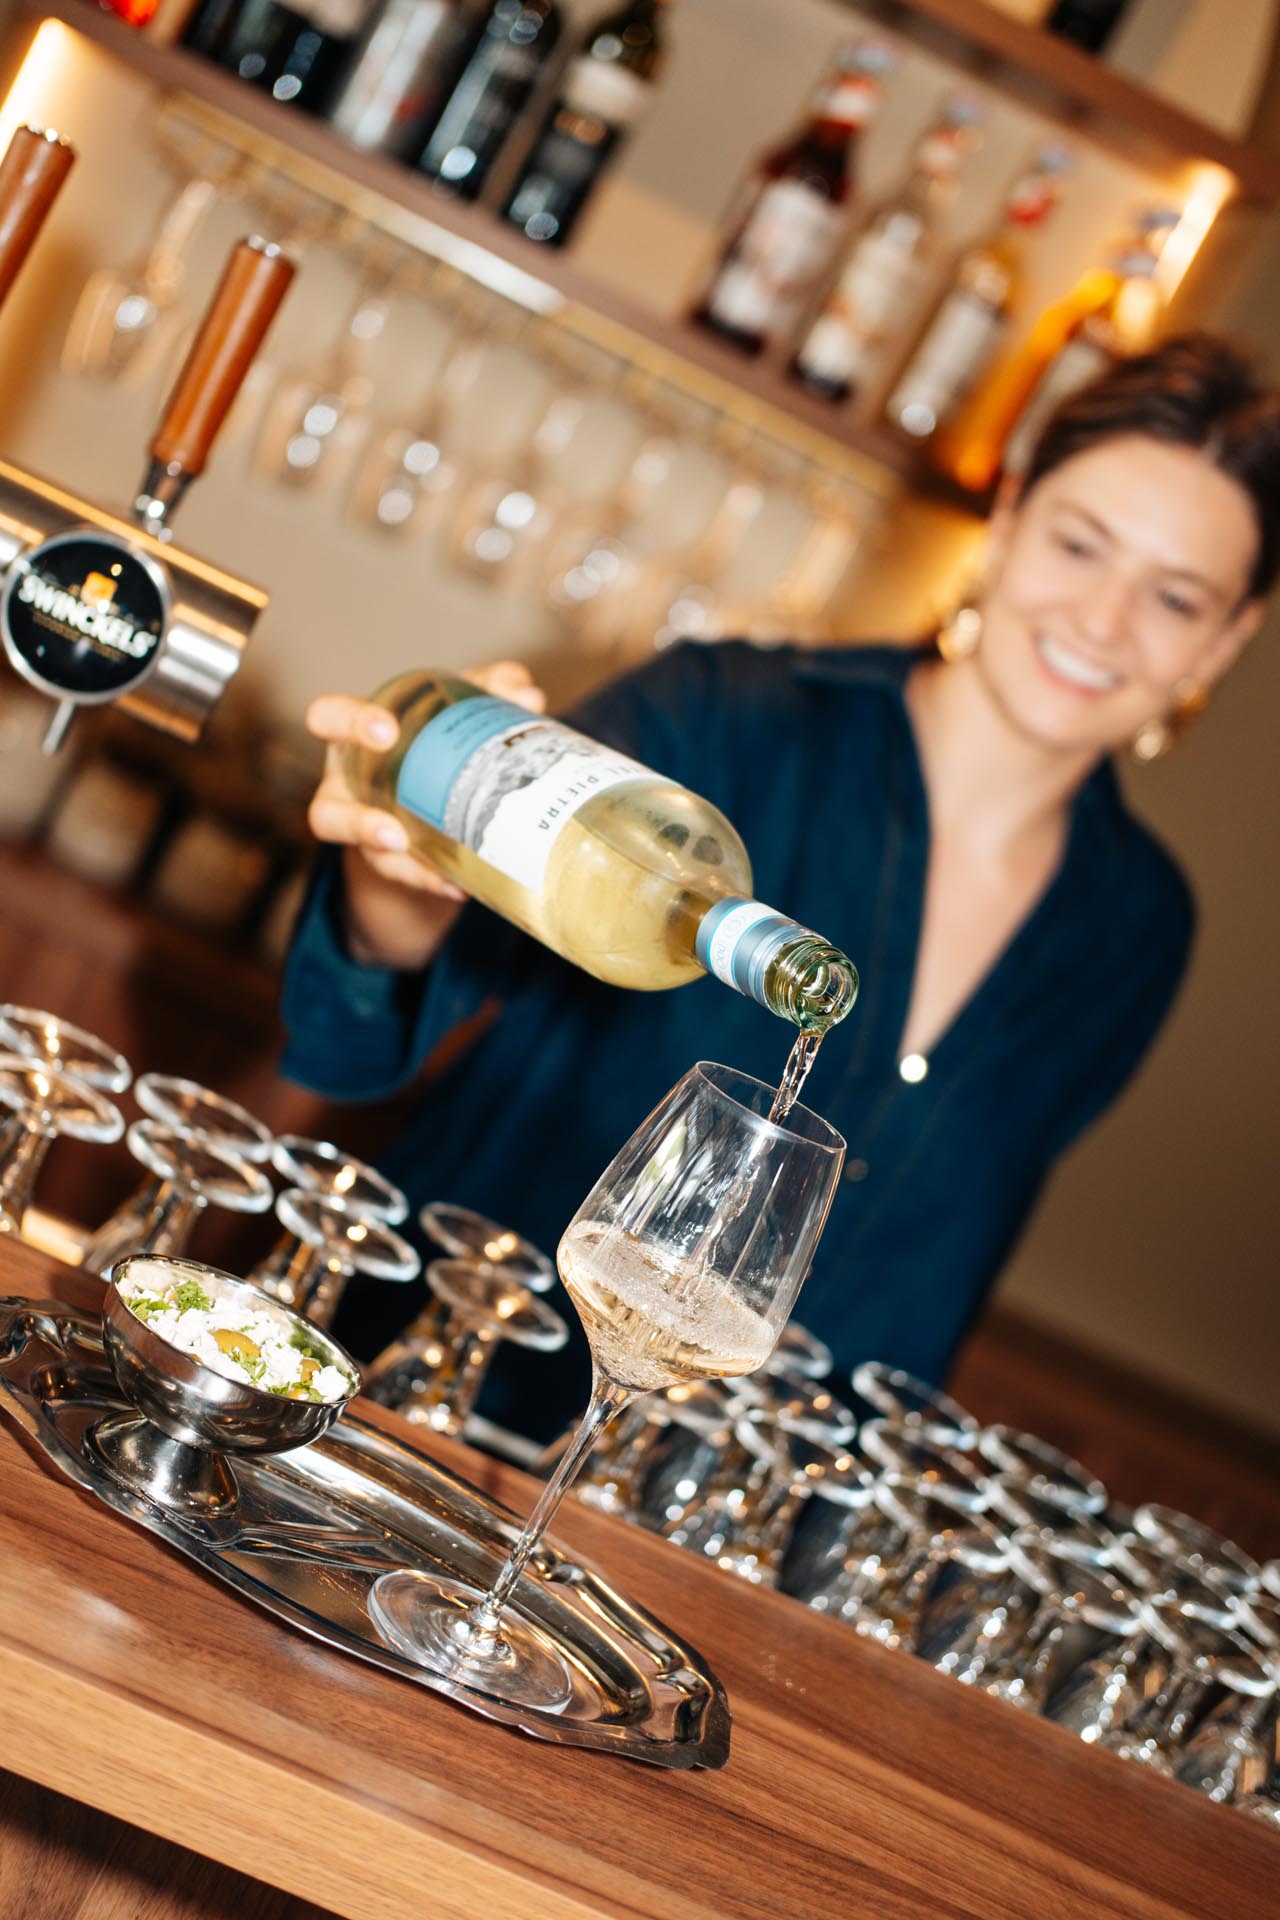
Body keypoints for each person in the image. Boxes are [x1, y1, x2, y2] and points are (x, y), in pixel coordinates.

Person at [281, 334, 1280, 1444]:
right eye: (1078, 546)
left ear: (1223, 642)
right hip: (422, 1409)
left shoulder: (1136, 927)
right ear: (1003, 526)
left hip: (719, 1531)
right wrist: (398, 879)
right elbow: (360, 1017)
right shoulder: (722, 713)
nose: (1102, 621)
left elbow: (933, 1257)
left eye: (1174, 600)